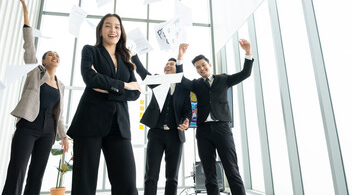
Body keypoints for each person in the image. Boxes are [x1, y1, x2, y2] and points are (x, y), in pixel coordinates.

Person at [67, 13, 141, 195]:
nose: (113, 30)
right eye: (108, 26)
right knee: (84, 183)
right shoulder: (90, 51)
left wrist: (105, 85)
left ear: (121, 32)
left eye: (117, 27)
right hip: (89, 122)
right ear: (100, 30)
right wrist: (124, 85)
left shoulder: (126, 59)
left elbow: (135, 93)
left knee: (128, 184)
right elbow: (90, 79)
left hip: (119, 126)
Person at [2, 0, 69, 195]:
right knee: (17, 170)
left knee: (37, 174)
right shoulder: (35, 73)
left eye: (57, 55)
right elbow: (29, 45)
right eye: (50, 55)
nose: (55, 57)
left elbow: (60, 115)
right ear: (43, 60)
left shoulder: (61, 85)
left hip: (48, 130)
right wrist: (26, 15)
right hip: (28, 126)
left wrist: (63, 136)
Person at [178, 40, 254, 195]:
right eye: (198, 67)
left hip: (222, 128)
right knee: (209, 172)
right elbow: (181, 79)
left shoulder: (224, 79)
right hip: (203, 131)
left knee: (231, 168)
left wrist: (248, 52)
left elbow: (245, 73)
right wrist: (180, 57)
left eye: (203, 65)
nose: (201, 68)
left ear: (209, 64)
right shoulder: (196, 84)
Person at [131, 46, 192, 195]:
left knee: (172, 177)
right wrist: (133, 54)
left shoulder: (184, 89)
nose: (168, 66)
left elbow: (188, 111)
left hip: (175, 136)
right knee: (151, 175)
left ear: (177, 69)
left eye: (172, 64)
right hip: (156, 134)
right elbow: (143, 73)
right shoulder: (158, 81)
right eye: (167, 64)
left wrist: (187, 121)